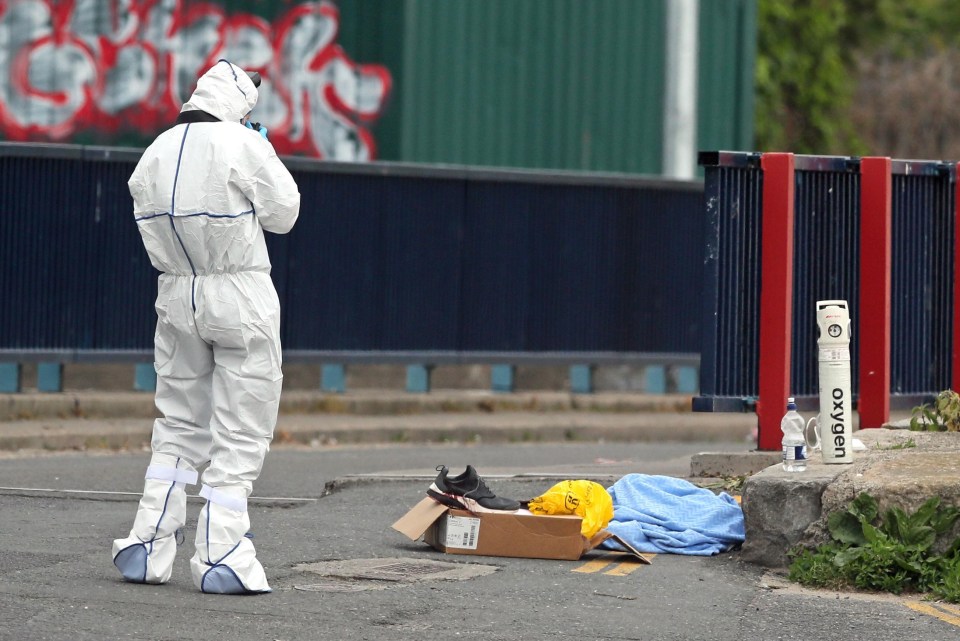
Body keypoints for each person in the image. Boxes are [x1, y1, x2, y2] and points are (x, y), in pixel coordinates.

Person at [112, 60, 300, 595]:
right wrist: (261, 148)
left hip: (176, 291)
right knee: (241, 426)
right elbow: (284, 213)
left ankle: (147, 545)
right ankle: (223, 552)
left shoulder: (155, 151)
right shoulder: (242, 143)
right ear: (241, 103)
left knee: (176, 422)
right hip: (239, 290)